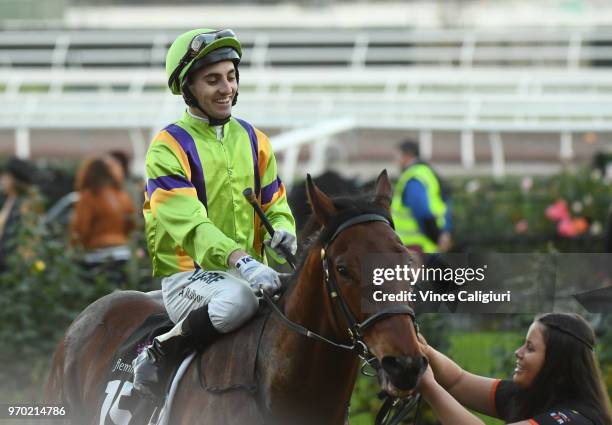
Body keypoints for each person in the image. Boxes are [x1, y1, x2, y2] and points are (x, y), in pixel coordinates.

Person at [132, 28, 296, 397]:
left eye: (231, 77)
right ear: (187, 88)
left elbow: (276, 204)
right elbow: (189, 224)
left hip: (254, 275)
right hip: (191, 279)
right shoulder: (167, 148)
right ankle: (160, 351)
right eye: (212, 80)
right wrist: (240, 260)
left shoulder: (256, 140)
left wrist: (285, 232)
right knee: (236, 301)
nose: (227, 88)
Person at [418, 313, 612, 425]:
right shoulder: (534, 395)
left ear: (558, 362)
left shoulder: (572, 420)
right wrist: (423, 350)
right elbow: (457, 381)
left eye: (530, 348)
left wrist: (428, 386)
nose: (518, 352)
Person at [70, 157, 136, 276]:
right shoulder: (122, 196)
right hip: (122, 253)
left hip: (96, 256)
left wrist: (75, 247)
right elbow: (131, 223)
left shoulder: (88, 197)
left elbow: (81, 228)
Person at [391, 140, 452, 254]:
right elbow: (445, 203)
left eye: (397, 156)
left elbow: (422, 212)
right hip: (426, 247)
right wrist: (445, 233)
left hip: (417, 248)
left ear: (408, 155)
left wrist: (437, 238)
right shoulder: (426, 172)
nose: (396, 161)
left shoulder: (413, 178)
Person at [0, 157, 41, 271]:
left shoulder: (24, 205)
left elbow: (21, 241)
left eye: (5, 176)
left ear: (14, 179)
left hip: (13, 269)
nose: (2, 180)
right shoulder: (11, 200)